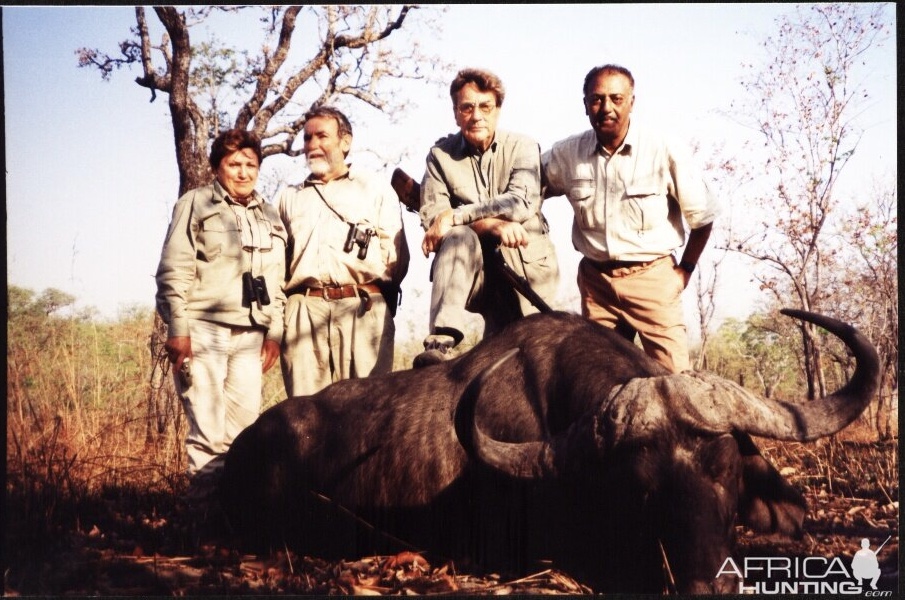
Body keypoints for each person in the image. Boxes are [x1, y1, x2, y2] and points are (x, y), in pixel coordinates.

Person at [543, 64, 718, 373]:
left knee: (675, 382)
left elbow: (703, 217)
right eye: (596, 99)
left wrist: (685, 271)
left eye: (616, 98)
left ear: (631, 102)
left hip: (652, 279)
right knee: (596, 381)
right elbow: (523, 189)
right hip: (597, 284)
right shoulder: (567, 154)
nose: (606, 108)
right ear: (585, 104)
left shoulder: (663, 149)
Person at [155, 128, 287, 493]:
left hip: (251, 334)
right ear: (217, 167)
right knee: (208, 433)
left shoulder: (270, 215)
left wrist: (274, 333)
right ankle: (202, 516)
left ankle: (234, 518)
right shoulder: (196, 203)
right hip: (203, 330)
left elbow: (277, 281)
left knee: (244, 436)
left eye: (250, 165)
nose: (243, 173)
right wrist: (178, 329)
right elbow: (173, 270)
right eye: (234, 164)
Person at [416, 68, 560, 366]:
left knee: (528, 363)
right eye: (467, 107)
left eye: (485, 107)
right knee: (457, 235)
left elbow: (520, 203)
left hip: (527, 272)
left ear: (498, 110)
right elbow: (435, 221)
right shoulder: (439, 156)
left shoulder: (523, 147)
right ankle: (441, 341)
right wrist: (491, 224)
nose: (476, 116)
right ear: (455, 113)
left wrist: (459, 215)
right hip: (475, 275)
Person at [277, 106, 409, 396]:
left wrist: (374, 293)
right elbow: (276, 263)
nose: (313, 144)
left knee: (367, 408)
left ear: (345, 142)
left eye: (322, 136)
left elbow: (395, 256)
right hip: (303, 310)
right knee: (303, 411)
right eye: (307, 138)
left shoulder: (374, 189)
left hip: (363, 307)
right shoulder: (289, 197)